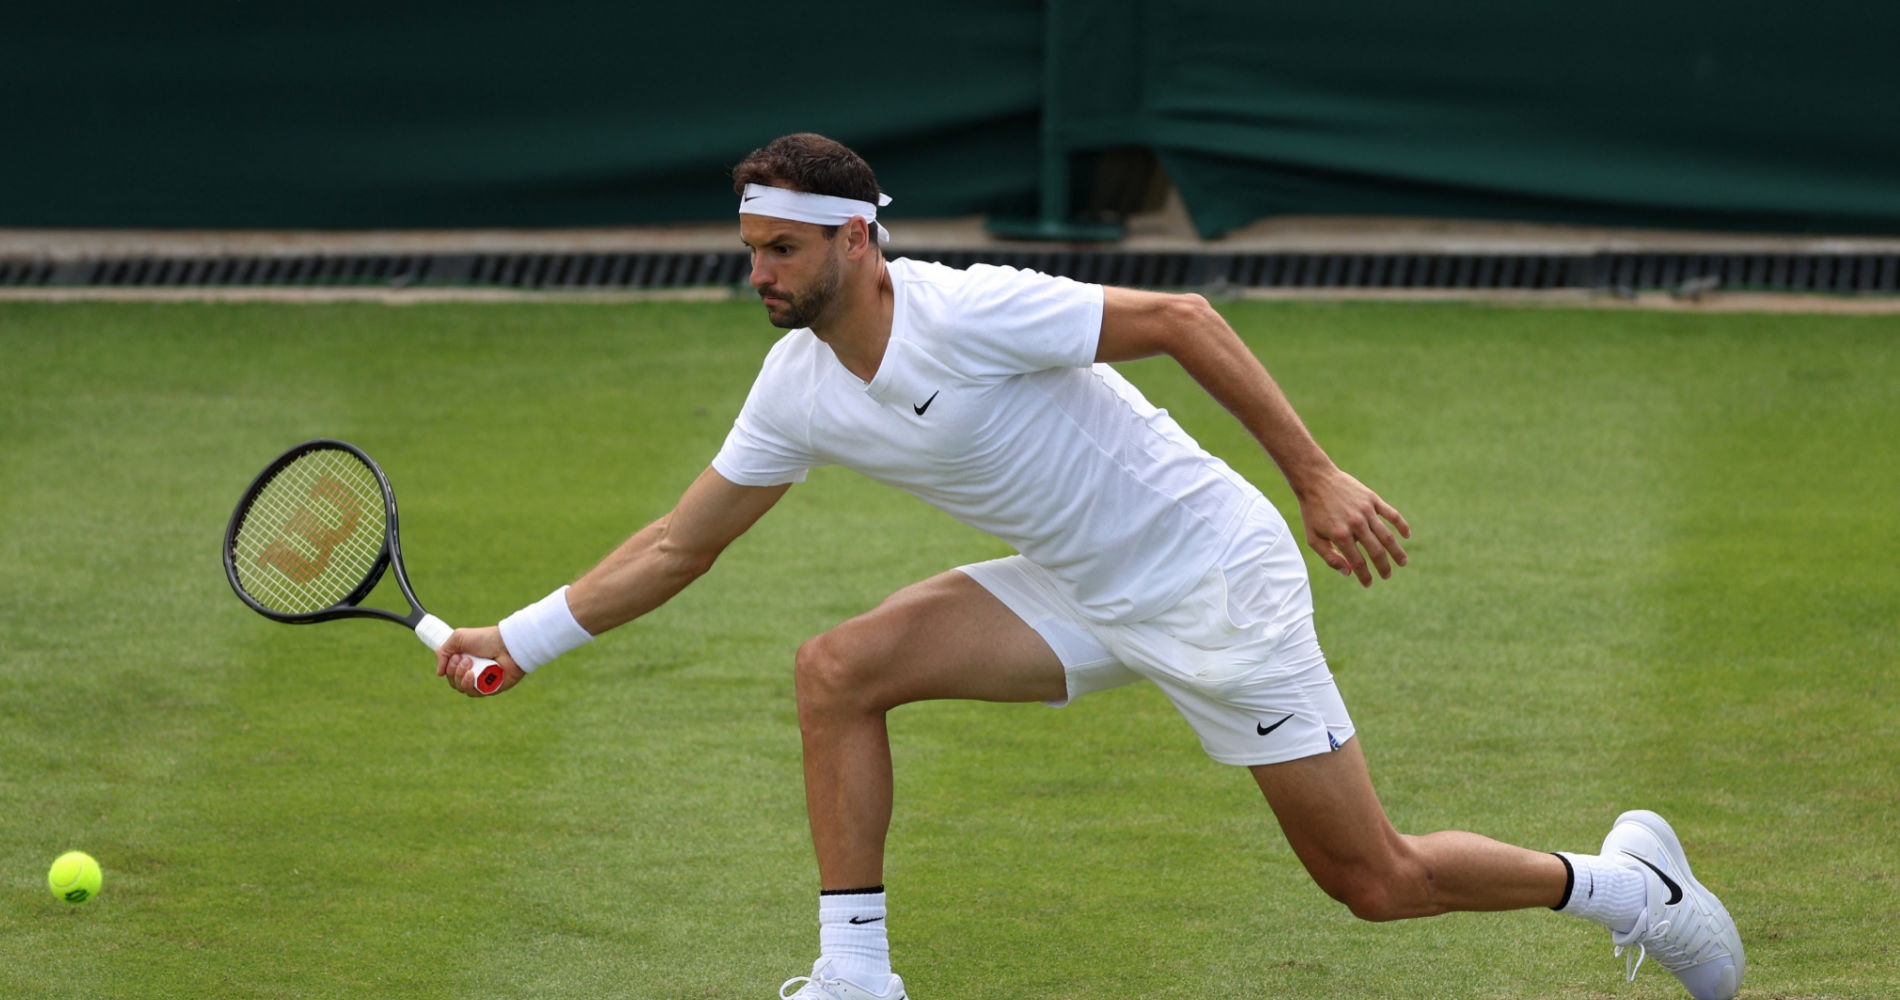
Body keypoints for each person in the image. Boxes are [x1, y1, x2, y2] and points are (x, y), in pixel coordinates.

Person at [436, 133, 1744, 1000]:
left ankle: (1628, 885)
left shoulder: (968, 310)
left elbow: (1181, 316)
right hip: (1076, 584)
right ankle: (855, 976)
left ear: (855, 240)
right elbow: (681, 543)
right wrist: (519, 637)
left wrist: (1316, 477)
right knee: (837, 671)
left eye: (781, 249)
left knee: (1374, 883)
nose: (761, 275)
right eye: (751, 252)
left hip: (1214, 582)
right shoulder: (794, 392)